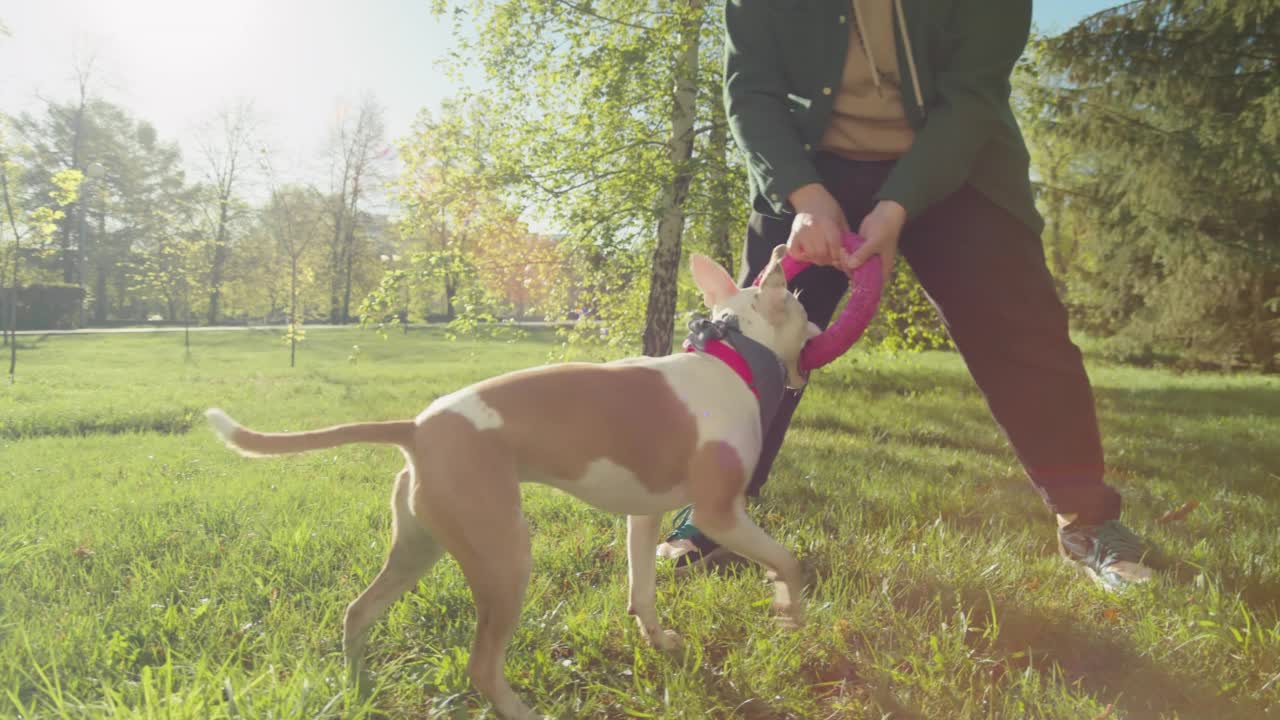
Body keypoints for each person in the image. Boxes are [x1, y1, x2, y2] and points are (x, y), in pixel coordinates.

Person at [657, 0, 1154, 590]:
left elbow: (973, 97)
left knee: (1023, 336)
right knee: (749, 348)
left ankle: (1087, 521)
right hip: (809, 170)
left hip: (958, 165)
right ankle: (717, 511)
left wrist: (896, 206)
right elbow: (752, 92)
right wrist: (805, 197)